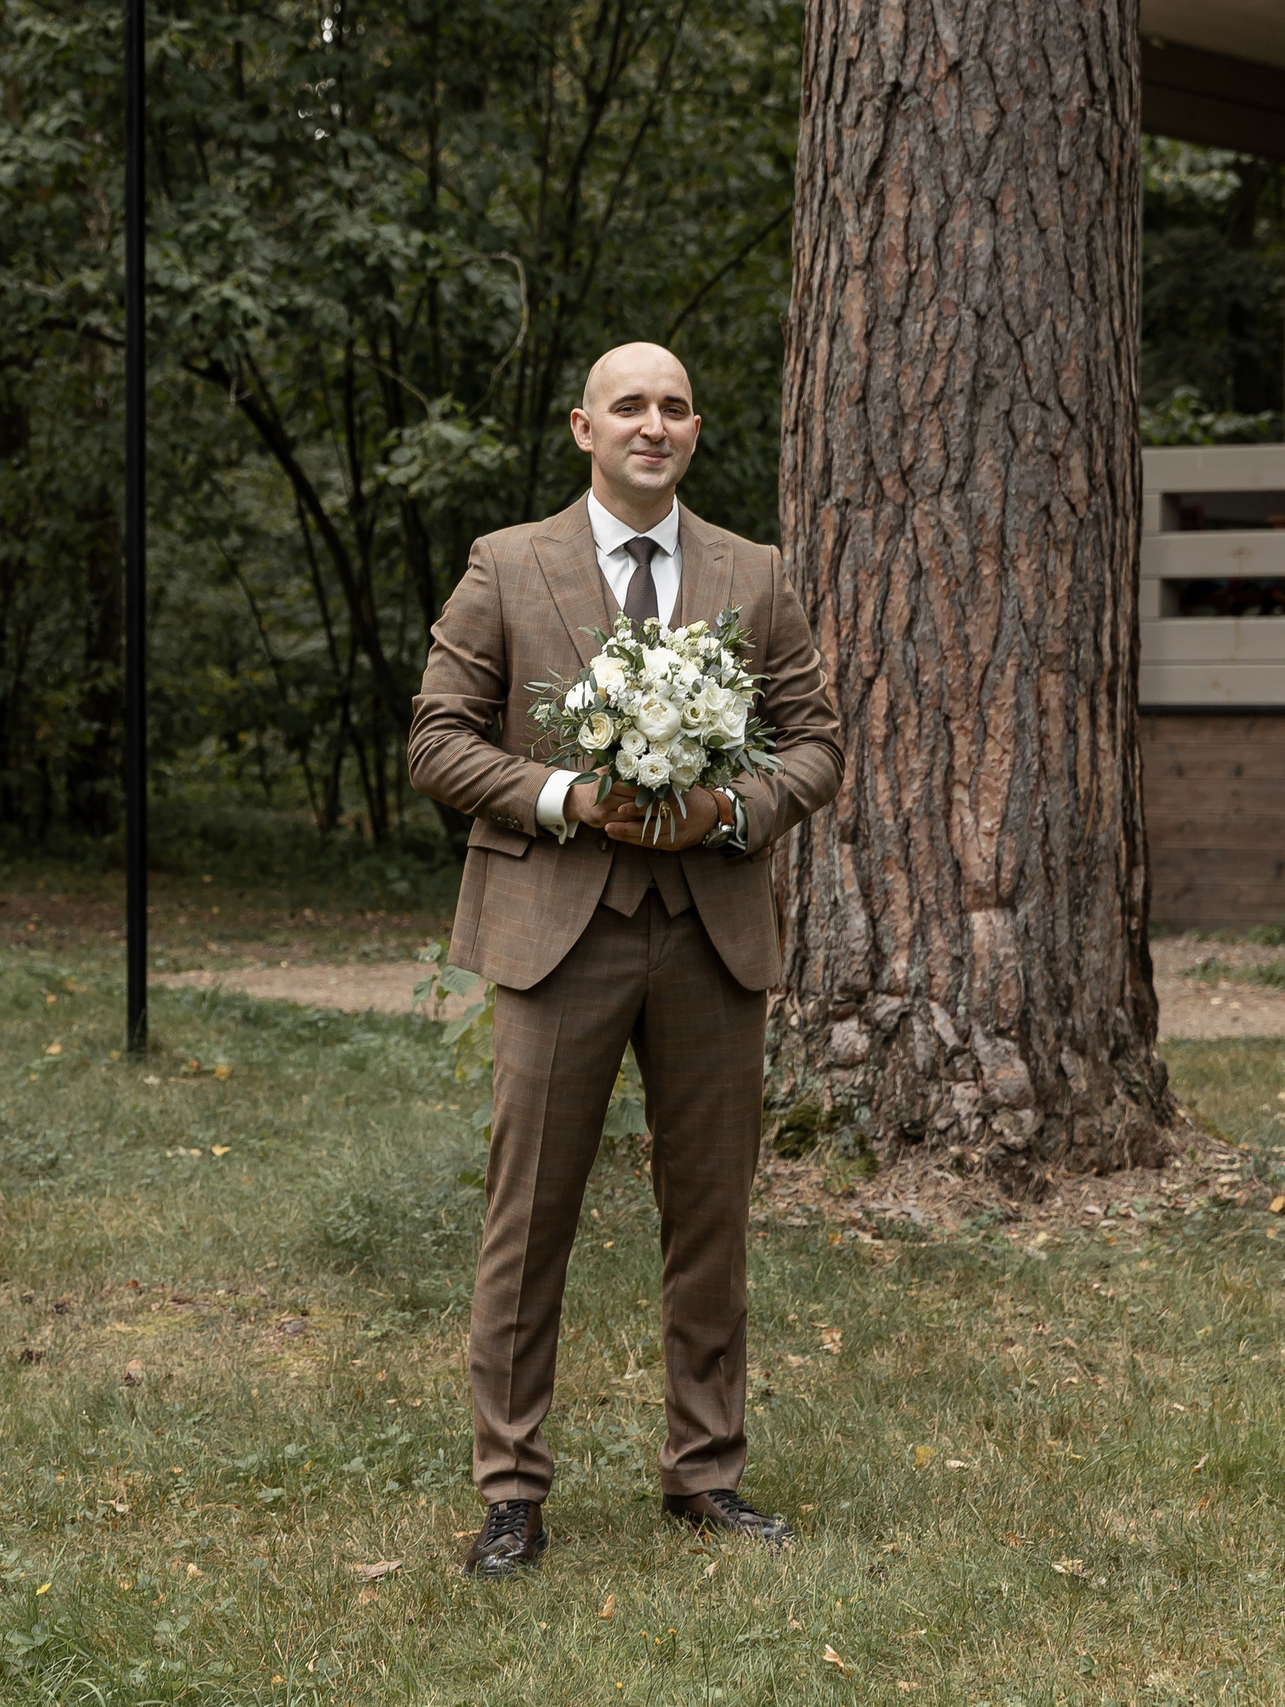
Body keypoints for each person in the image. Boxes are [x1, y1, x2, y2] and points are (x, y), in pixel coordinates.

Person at [407, 342, 843, 1578]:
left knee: (707, 1217)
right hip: (557, 933)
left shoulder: (750, 575)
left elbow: (814, 744)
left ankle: (704, 1477)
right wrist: (561, 795)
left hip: (711, 932)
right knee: (528, 1217)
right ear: (582, 430)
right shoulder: (509, 564)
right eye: (629, 407)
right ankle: (511, 1493)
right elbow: (436, 740)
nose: (654, 425)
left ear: (694, 431)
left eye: (675, 407)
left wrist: (736, 810)